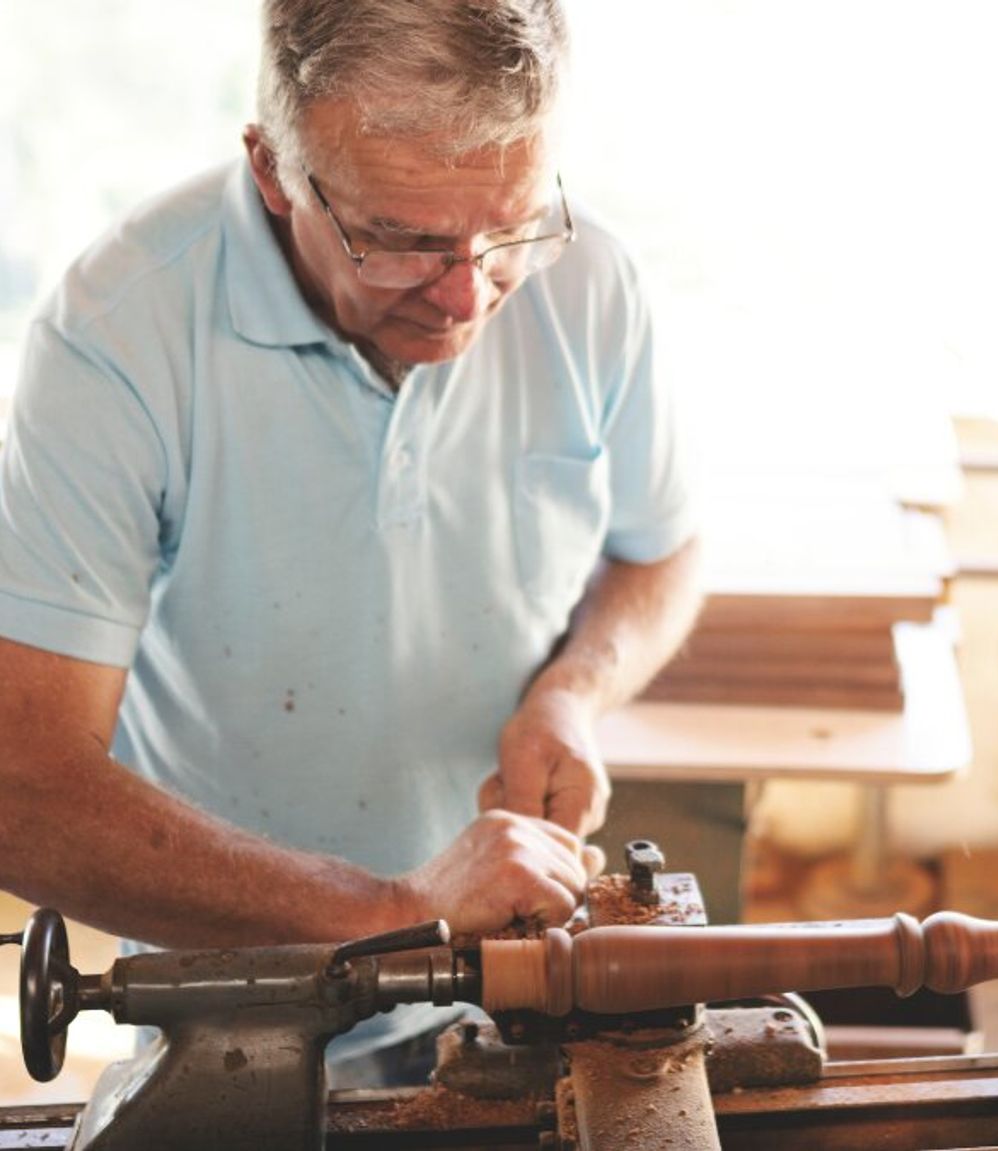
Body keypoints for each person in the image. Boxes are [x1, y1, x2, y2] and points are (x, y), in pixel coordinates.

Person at [0, 0, 702, 1080]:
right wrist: (394, 909)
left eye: (507, 229)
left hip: (505, 984)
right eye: (403, 240)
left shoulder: (592, 277)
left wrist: (574, 687)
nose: (469, 294)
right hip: (235, 996)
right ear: (274, 171)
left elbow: (661, 551)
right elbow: (24, 785)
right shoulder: (118, 334)